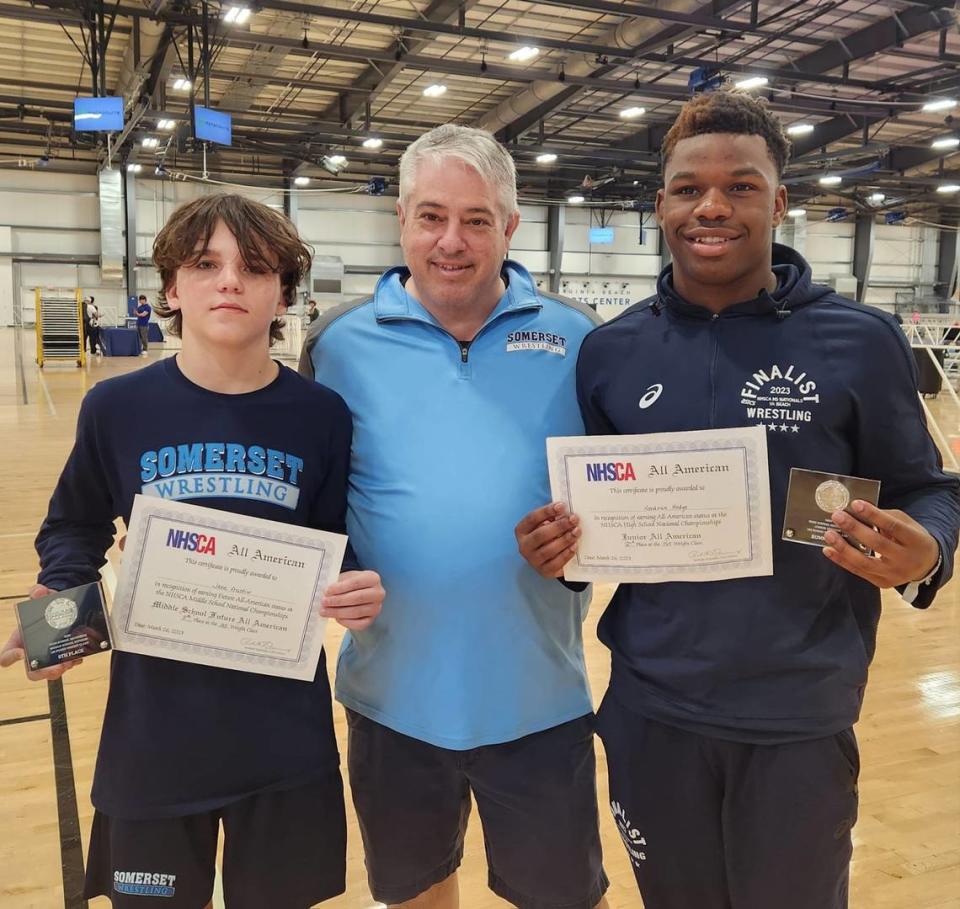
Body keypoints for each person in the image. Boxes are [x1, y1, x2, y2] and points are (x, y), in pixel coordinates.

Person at [516, 90, 960, 909]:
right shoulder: (612, 352)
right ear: (661, 204)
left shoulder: (860, 341)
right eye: (689, 188)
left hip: (799, 713)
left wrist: (927, 547)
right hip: (653, 708)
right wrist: (563, 554)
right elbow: (597, 523)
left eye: (741, 186)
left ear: (779, 201)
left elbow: (928, 487)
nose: (711, 206)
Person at [1, 193, 385, 908]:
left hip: (283, 737)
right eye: (206, 264)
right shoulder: (116, 409)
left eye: (256, 267)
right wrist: (61, 619)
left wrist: (358, 583)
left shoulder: (321, 415)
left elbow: (336, 540)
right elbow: (73, 527)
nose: (231, 281)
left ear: (283, 294)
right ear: (172, 290)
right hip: (154, 738)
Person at [300, 124, 609, 909]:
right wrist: (331, 578)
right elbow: (313, 505)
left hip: (539, 700)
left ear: (510, 226)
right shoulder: (337, 344)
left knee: (570, 897)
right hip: (394, 703)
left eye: (477, 219)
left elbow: (624, 496)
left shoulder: (583, 340)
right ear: (401, 218)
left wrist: (584, 546)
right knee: (414, 896)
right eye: (432, 215)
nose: (451, 241)